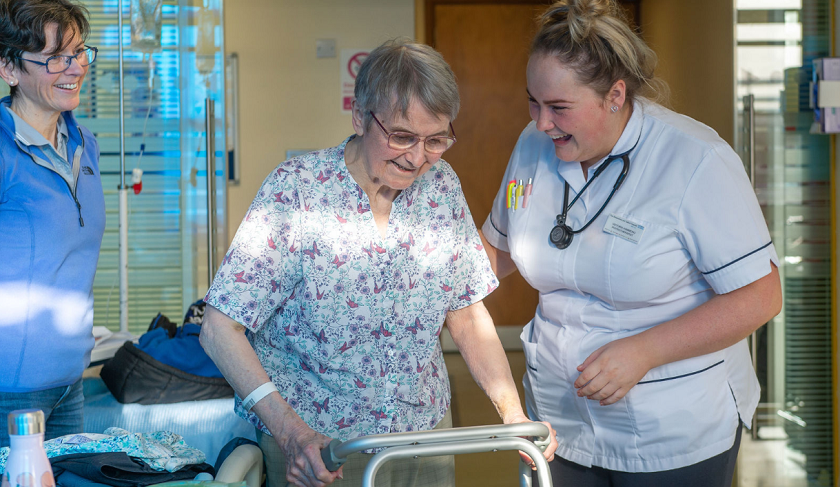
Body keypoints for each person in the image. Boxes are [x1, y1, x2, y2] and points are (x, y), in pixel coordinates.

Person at [200, 39, 557, 487]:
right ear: (359, 115)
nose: (415, 157)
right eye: (402, 136)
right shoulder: (296, 192)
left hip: (424, 438)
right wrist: (293, 435)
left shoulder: (441, 185)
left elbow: (465, 313)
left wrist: (511, 415)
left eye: (436, 140)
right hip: (320, 450)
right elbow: (219, 327)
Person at [479, 1, 783, 486]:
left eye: (559, 107)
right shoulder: (533, 145)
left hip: (671, 427)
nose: (541, 122)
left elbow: (761, 296)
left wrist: (644, 350)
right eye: (533, 102)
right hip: (558, 419)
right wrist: (420, 293)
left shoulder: (695, 160)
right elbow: (494, 252)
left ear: (615, 95)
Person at [0, 0, 104, 446]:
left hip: (69, 384)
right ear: (9, 69)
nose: (74, 68)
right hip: (9, 395)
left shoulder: (86, 144)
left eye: (79, 53)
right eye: (54, 57)